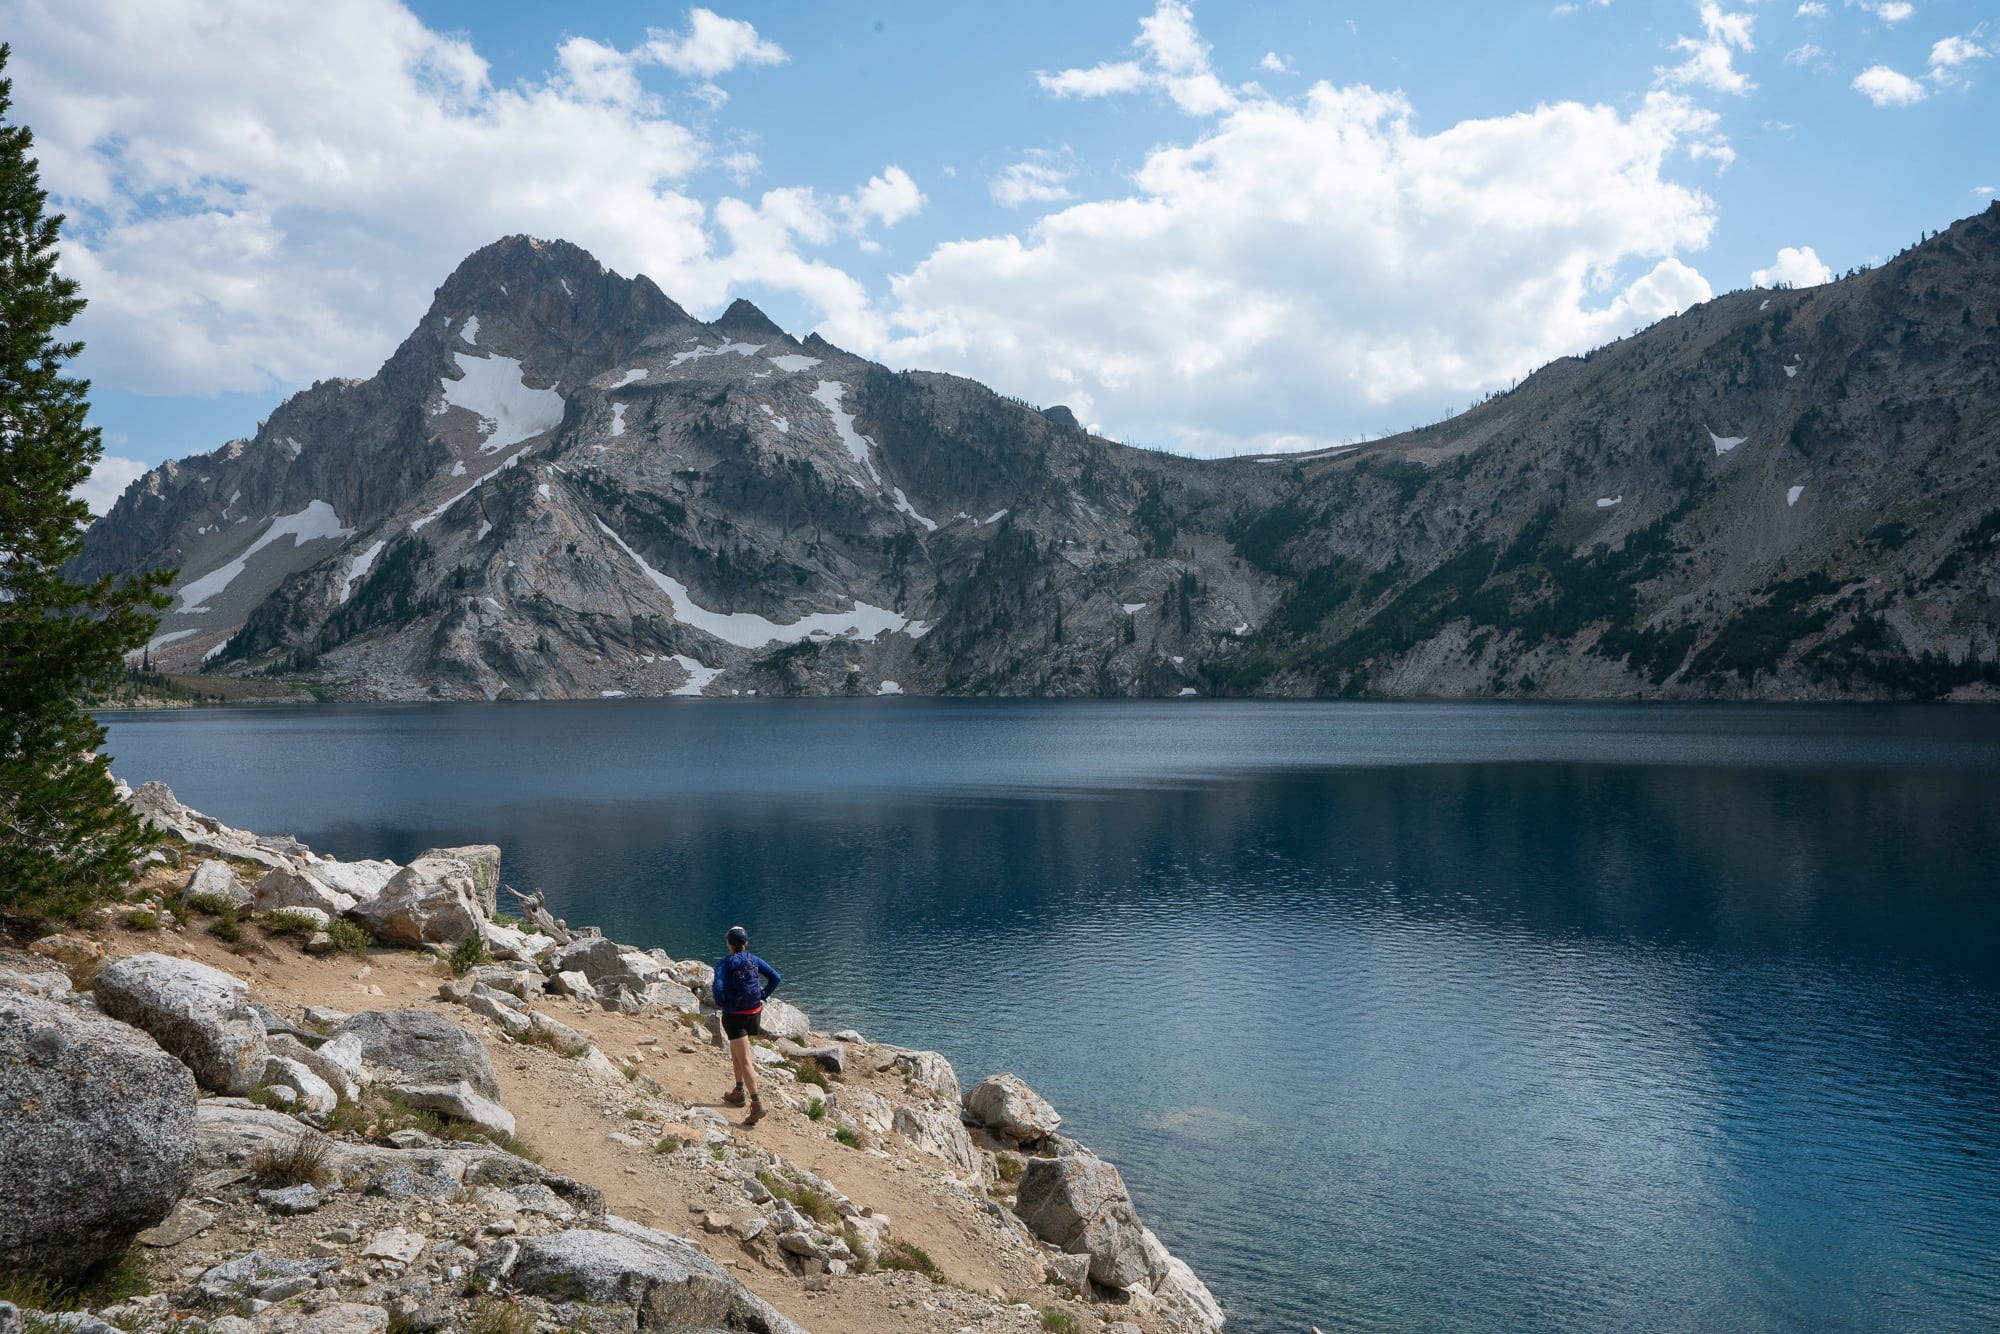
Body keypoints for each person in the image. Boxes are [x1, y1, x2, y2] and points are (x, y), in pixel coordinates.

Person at [713, 925, 781, 1125]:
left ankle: (757, 1103)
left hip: (734, 1015)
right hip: (753, 1014)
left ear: (729, 943)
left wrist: (722, 1002)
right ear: (745, 943)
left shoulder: (724, 964)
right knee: (737, 1052)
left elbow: (717, 987)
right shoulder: (754, 960)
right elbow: (776, 978)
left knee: (745, 1060)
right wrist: (763, 995)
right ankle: (738, 1091)